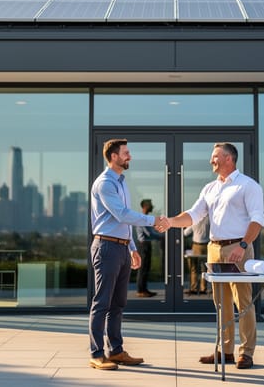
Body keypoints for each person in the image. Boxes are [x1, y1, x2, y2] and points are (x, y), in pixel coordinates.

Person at [157, 142, 264, 370]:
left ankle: (246, 353)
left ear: (229, 158)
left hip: (238, 249)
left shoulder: (248, 186)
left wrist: (244, 245)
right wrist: (171, 222)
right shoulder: (210, 188)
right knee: (220, 303)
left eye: (215, 156)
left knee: (243, 302)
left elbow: (257, 220)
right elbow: (194, 215)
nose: (211, 161)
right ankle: (225, 351)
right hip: (214, 249)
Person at [88, 138, 166, 371]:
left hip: (121, 247)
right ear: (113, 156)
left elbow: (125, 222)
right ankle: (96, 353)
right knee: (102, 302)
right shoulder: (105, 183)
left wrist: (132, 248)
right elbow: (122, 214)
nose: (129, 156)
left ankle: (117, 351)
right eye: (126, 153)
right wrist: (154, 220)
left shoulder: (121, 183)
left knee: (118, 304)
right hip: (106, 247)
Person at [135, 198, 163, 297]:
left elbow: (151, 232)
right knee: (143, 268)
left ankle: (144, 289)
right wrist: (163, 236)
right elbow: (149, 234)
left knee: (146, 268)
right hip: (143, 246)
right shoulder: (142, 218)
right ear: (146, 206)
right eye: (150, 205)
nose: (152, 206)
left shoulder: (145, 218)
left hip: (145, 245)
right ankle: (141, 290)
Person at [183, 216, 209, 295]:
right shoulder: (210, 219)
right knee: (204, 268)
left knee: (193, 268)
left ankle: (193, 288)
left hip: (196, 246)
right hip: (206, 245)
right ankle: (203, 288)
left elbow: (186, 233)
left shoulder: (195, 219)